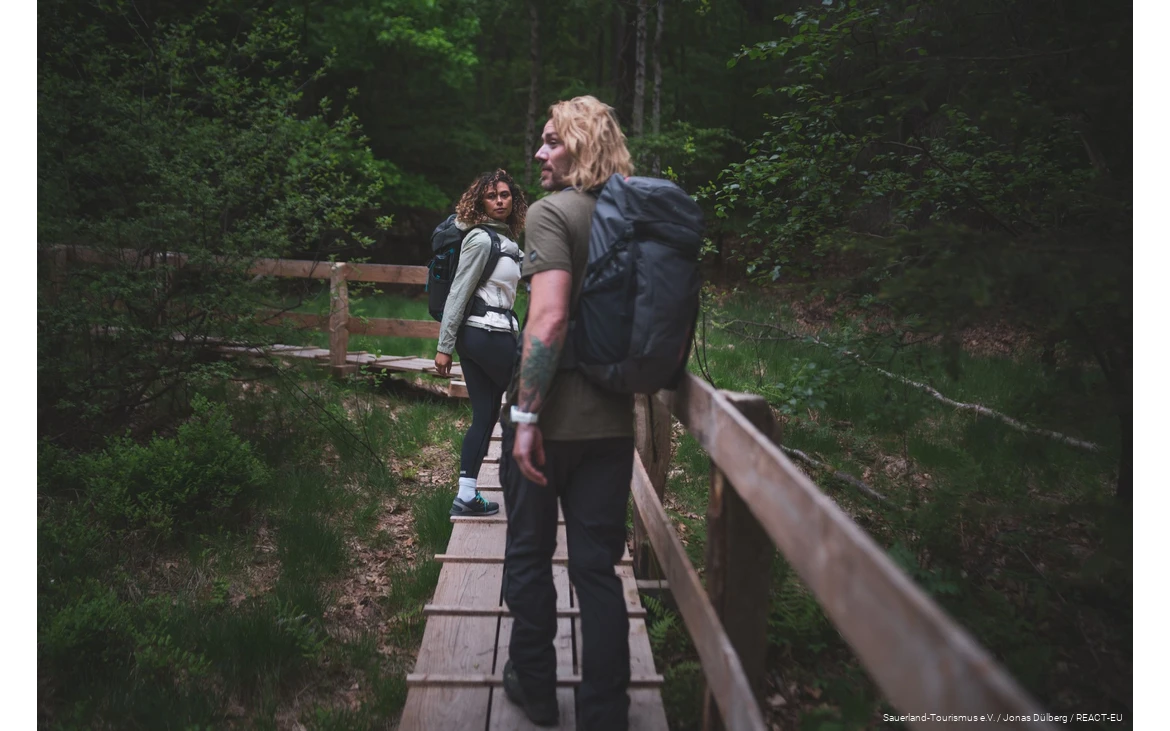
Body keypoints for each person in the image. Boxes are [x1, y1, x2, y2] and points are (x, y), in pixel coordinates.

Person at [498, 96, 636, 729]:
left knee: (529, 555)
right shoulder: (629, 215)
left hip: (550, 427)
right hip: (611, 422)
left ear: (578, 147)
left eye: (551, 141)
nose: (538, 153)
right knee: (596, 568)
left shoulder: (552, 215)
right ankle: (604, 710)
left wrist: (526, 418)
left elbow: (548, 318)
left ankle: (536, 687)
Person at [433, 169, 528, 518]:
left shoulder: (506, 241)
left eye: (505, 195)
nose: (501, 200)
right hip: (483, 334)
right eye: (492, 196)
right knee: (529, 402)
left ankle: (467, 496)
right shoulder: (481, 239)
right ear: (480, 202)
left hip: (486, 335)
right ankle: (527, 490)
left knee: (486, 414)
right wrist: (444, 345)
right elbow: (459, 291)